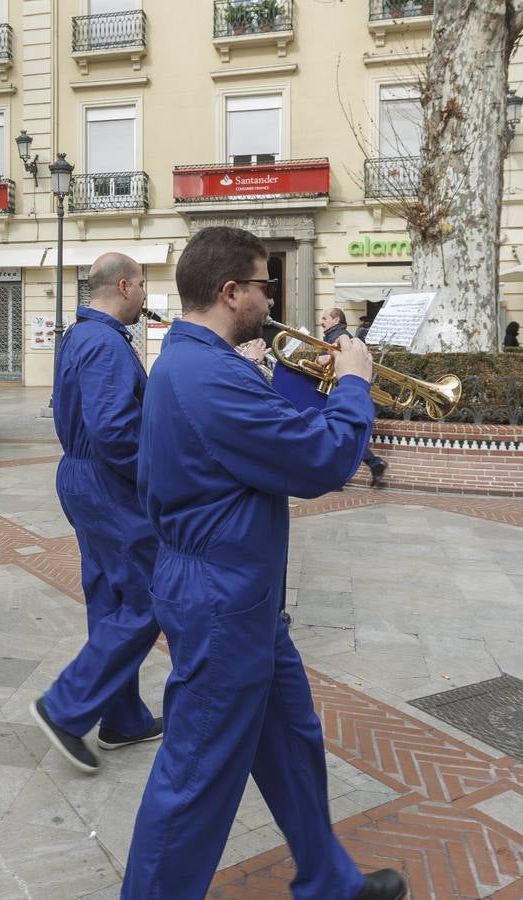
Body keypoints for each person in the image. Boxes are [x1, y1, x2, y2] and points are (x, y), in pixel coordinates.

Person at [122, 226, 405, 900]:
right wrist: (355, 384)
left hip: (237, 594)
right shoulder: (209, 376)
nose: (268, 297)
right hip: (223, 598)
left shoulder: (192, 363)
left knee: (291, 742)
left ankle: (329, 880)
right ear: (229, 292)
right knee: (196, 774)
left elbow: (275, 436)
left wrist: (293, 384)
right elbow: (321, 460)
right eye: (261, 285)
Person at [29, 253, 162, 774]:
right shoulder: (105, 343)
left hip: (85, 477)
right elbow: (114, 431)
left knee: (110, 597)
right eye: (144, 285)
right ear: (124, 285)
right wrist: (154, 478)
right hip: (107, 480)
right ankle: (66, 707)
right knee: (153, 594)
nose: (146, 296)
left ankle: (124, 718)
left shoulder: (82, 336)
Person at [319, 308, 387, 488]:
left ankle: (372, 463)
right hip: (342, 390)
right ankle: (373, 463)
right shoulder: (334, 336)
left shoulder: (340, 337)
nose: (321, 321)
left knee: (338, 432)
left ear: (335, 320)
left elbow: (330, 363)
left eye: (324, 318)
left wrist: (324, 360)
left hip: (340, 391)